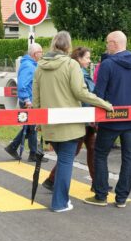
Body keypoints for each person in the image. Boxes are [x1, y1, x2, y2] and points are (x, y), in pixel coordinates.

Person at [34, 33, 113, 212]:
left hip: (49, 123)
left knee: (63, 159)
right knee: (65, 161)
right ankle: (60, 202)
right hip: (69, 124)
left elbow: (36, 98)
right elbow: (81, 93)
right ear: (68, 47)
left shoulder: (40, 66)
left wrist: (38, 122)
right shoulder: (71, 65)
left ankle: (59, 199)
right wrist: (104, 104)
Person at [86, 31, 131, 208]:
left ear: (115, 44)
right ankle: (122, 198)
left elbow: (99, 95)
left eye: (108, 42)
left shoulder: (107, 65)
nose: (106, 46)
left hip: (111, 120)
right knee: (128, 158)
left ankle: (101, 195)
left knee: (100, 154)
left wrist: (95, 116)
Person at [41, 45, 99, 192]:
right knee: (74, 152)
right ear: (78, 58)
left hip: (84, 118)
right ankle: (53, 180)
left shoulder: (76, 70)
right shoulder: (77, 71)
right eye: (87, 57)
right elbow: (85, 94)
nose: (89, 60)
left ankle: (96, 182)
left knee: (89, 149)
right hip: (83, 118)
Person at [5, 42, 45, 162]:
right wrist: (27, 100)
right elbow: (22, 84)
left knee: (30, 128)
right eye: (40, 52)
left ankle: (14, 147)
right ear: (34, 54)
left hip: (30, 100)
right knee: (31, 128)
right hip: (28, 101)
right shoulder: (28, 66)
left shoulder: (31, 64)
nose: (42, 54)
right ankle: (32, 153)